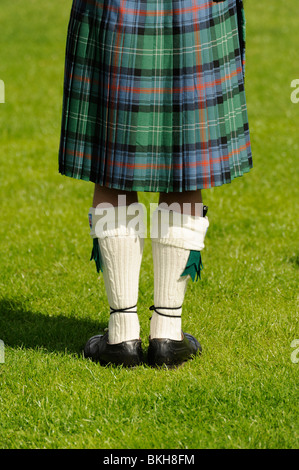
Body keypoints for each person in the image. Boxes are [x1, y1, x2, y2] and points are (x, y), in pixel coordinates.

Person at [58, 0, 252, 367]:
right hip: (196, 9)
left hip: (117, 8)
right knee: (185, 160)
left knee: (113, 159)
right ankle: (168, 334)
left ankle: (121, 335)